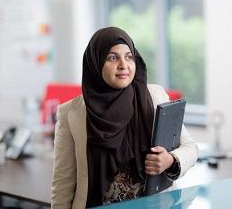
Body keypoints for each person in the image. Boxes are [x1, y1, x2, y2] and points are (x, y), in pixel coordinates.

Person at [51, 27, 198, 208]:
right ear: (96, 63)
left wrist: (170, 160)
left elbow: (190, 148)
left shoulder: (155, 97)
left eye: (129, 57)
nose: (123, 65)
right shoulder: (71, 113)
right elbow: (62, 183)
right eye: (112, 58)